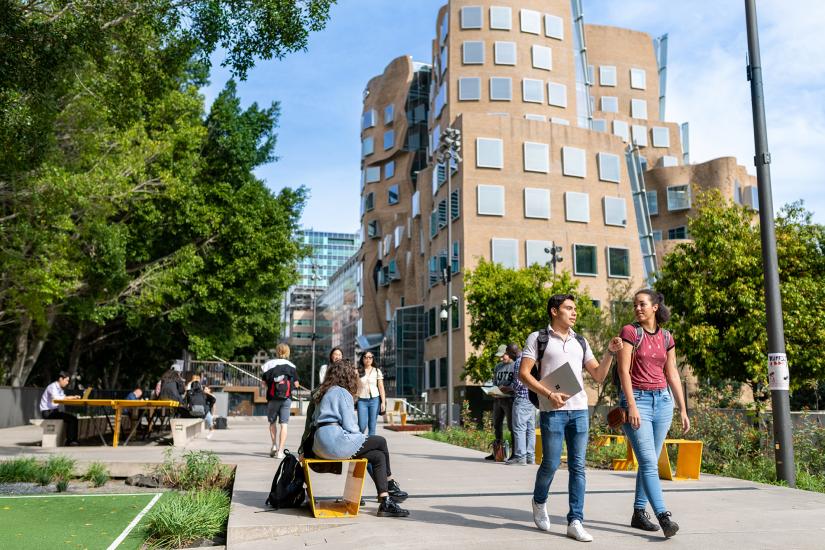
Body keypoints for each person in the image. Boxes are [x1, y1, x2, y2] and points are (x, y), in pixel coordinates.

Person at [518, 294, 622, 542]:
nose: (574, 313)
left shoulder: (580, 341)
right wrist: (549, 393)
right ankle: (539, 500)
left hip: (579, 410)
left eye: (575, 309)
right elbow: (524, 374)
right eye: (569, 308)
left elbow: (597, 375)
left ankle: (575, 520)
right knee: (550, 464)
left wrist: (609, 352)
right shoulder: (538, 338)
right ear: (555, 311)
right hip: (552, 411)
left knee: (578, 467)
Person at [616, 289, 690, 538]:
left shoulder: (667, 337)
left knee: (650, 461)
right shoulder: (630, 332)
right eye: (635, 304)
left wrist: (682, 408)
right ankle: (663, 516)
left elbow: (673, 373)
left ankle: (639, 512)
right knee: (648, 461)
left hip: (663, 402)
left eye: (642, 304)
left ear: (655, 307)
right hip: (637, 401)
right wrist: (632, 406)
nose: (638, 308)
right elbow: (623, 371)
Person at [313, 359, 410, 517]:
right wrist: (361, 439)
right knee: (380, 441)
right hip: (334, 442)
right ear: (347, 375)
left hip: (320, 444)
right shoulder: (342, 392)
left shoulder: (324, 391)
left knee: (377, 456)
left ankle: (385, 500)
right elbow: (351, 427)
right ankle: (390, 482)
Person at [261, 343, 301, 459]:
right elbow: (297, 384)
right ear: (287, 352)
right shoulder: (292, 366)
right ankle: (280, 451)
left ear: (277, 352)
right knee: (284, 424)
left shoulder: (268, 365)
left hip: (272, 398)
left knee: (272, 423)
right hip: (286, 398)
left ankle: (274, 445)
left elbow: (264, 383)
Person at [505, 343, 535, 466]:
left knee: (519, 428)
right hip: (532, 399)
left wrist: (507, 388)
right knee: (530, 429)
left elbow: (519, 383)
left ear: (512, 353)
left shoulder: (518, 362)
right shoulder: (530, 359)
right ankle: (530, 457)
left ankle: (520, 456)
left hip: (522, 398)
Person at [485, 344, 515, 460]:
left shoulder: (514, 366)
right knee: (496, 425)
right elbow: (494, 382)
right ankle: (497, 453)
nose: (501, 359)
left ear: (509, 354)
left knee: (512, 427)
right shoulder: (498, 367)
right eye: (500, 357)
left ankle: (514, 454)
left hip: (509, 400)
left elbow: (517, 383)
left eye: (503, 356)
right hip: (498, 399)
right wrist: (493, 390)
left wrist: (508, 388)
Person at [39, 371, 81, 445]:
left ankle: (72, 440)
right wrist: (70, 398)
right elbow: (57, 399)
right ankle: (70, 441)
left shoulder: (59, 388)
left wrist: (74, 397)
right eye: (67, 380)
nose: (67, 383)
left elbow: (64, 397)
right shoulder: (52, 387)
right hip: (48, 413)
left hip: (54, 412)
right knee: (72, 419)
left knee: (73, 419)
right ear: (61, 379)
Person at [356, 352, 386, 436]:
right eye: (365, 357)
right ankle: (359, 444)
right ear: (362, 359)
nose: (368, 359)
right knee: (362, 425)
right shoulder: (357, 371)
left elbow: (381, 387)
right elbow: (353, 386)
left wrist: (383, 402)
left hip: (374, 400)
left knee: (372, 426)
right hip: (362, 400)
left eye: (370, 357)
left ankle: (370, 446)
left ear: (373, 359)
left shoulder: (377, 371)